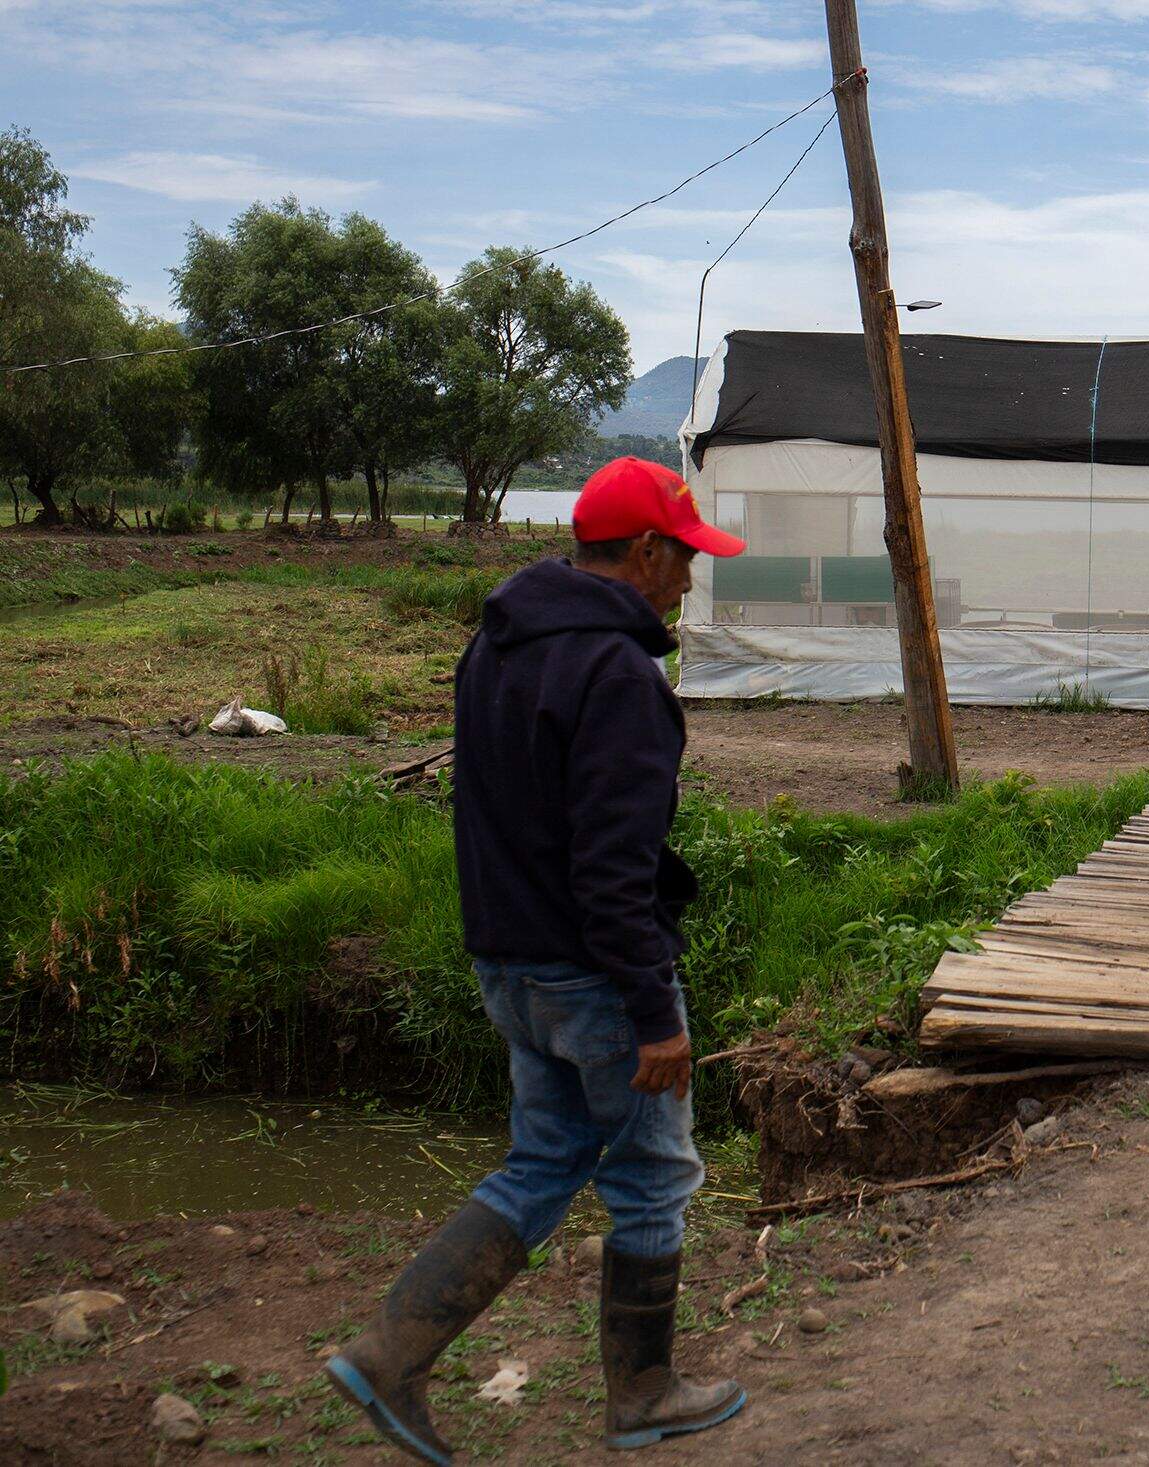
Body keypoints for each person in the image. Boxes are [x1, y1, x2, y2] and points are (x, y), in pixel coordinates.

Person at [327, 458, 748, 1463]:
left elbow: (498, 815)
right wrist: (655, 1013)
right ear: (645, 552)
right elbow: (613, 868)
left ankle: (391, 1353)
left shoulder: (497, 645)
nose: (689, 580)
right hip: (596, 974)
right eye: (684, 558)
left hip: (510, 961)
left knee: (547, 1157)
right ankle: (643, 1393)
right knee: (654, 1171)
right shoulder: (619, 676)